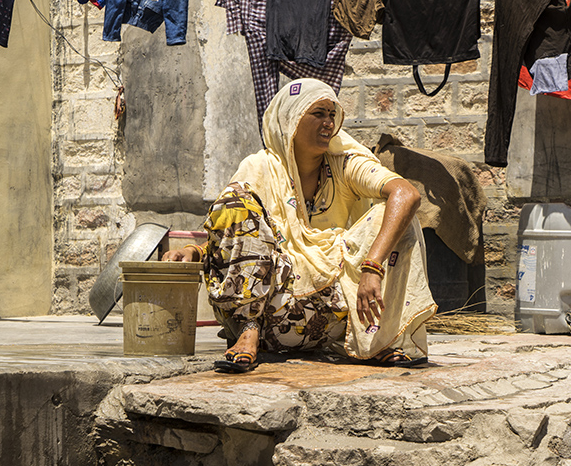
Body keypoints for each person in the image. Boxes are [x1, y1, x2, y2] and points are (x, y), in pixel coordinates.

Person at [164, 78, 437, 372]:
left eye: (332, 115)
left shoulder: (344, 164)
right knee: (235, 202)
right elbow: (243, 232)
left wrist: (372, 266)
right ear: (291, 120)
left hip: (334, 313)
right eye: (318, 113)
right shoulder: (260, 167)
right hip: (275, 310)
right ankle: (247, 330)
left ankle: (377, 340)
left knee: (399, 217)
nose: (328, 123)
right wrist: (196, 250)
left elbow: (406, 194)